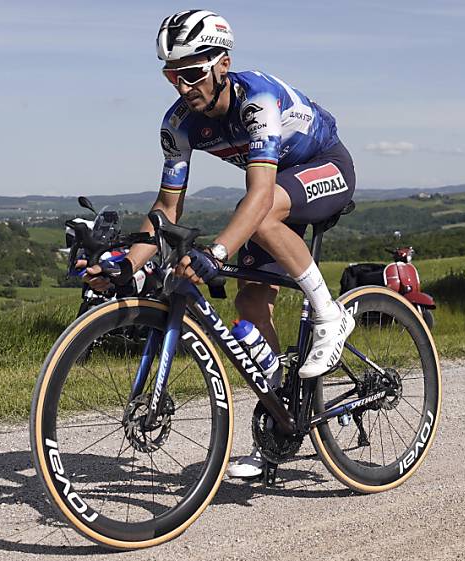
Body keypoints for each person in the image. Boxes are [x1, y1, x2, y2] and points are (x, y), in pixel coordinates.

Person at [85, 9, 356, 479]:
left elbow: (259, 195)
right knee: (251, 307)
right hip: (275, 193)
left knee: (263, 211)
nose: (183, 87)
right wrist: (128, 265)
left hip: (326, 167)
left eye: (192, 73)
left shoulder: (258, 101)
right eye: (173, 76)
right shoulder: (178, 123)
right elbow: (168, 209)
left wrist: (216, 253)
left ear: (222, 64)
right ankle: (280, 421)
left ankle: (330, 314)